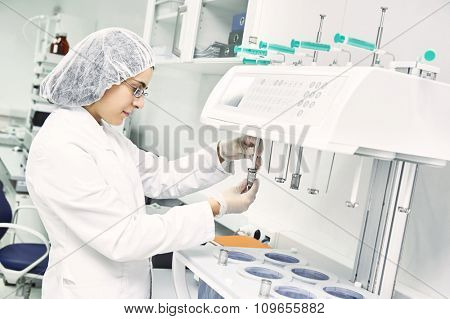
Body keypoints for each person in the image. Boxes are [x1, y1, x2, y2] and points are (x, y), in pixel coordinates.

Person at [25, 28, 262, 299]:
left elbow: (161, 175)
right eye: (135, 89)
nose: (140, 103)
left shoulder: (103, 133)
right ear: (103, 76)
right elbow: (124, 237)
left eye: (143, 91)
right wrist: (217, 206)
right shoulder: (61, 146)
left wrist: (222, 152)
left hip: (125, 289)